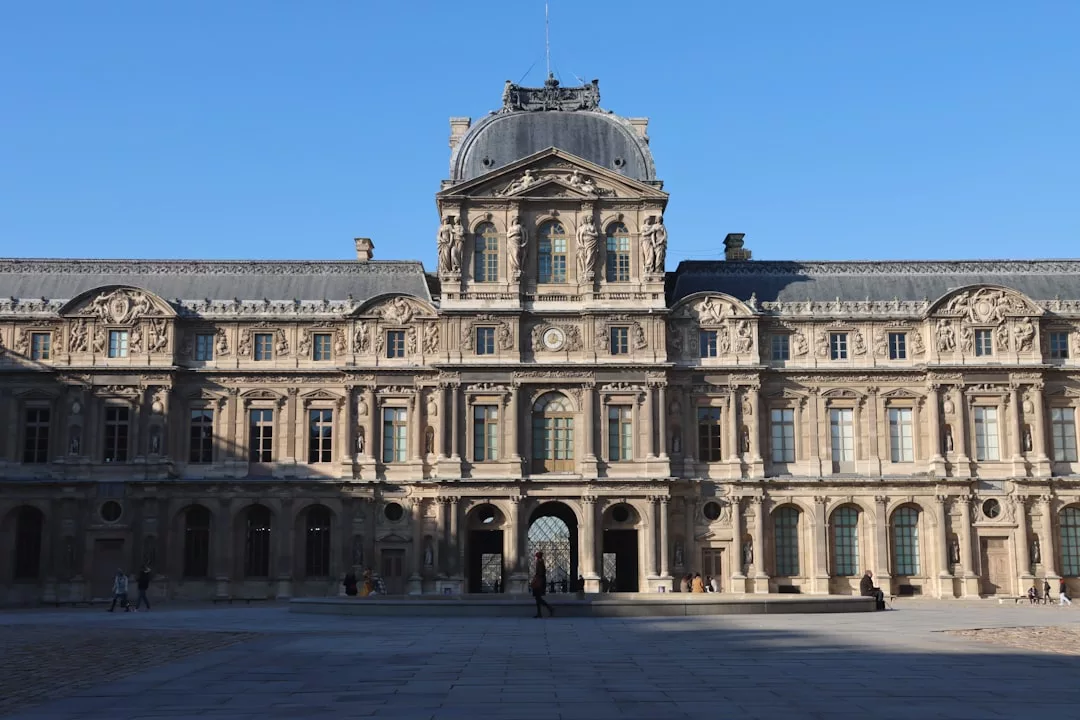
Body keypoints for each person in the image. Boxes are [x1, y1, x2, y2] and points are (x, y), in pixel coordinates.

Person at [531, 551, 554, 618]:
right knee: (538, 598)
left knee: (538, 598)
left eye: (536, 556)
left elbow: (540, 573)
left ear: (537, 557)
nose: (535, 558)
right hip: (540, 582)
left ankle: (548, 608)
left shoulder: (540, 562)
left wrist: (535, 579)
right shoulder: (541, 562)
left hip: (539, 582)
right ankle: (541, 612)